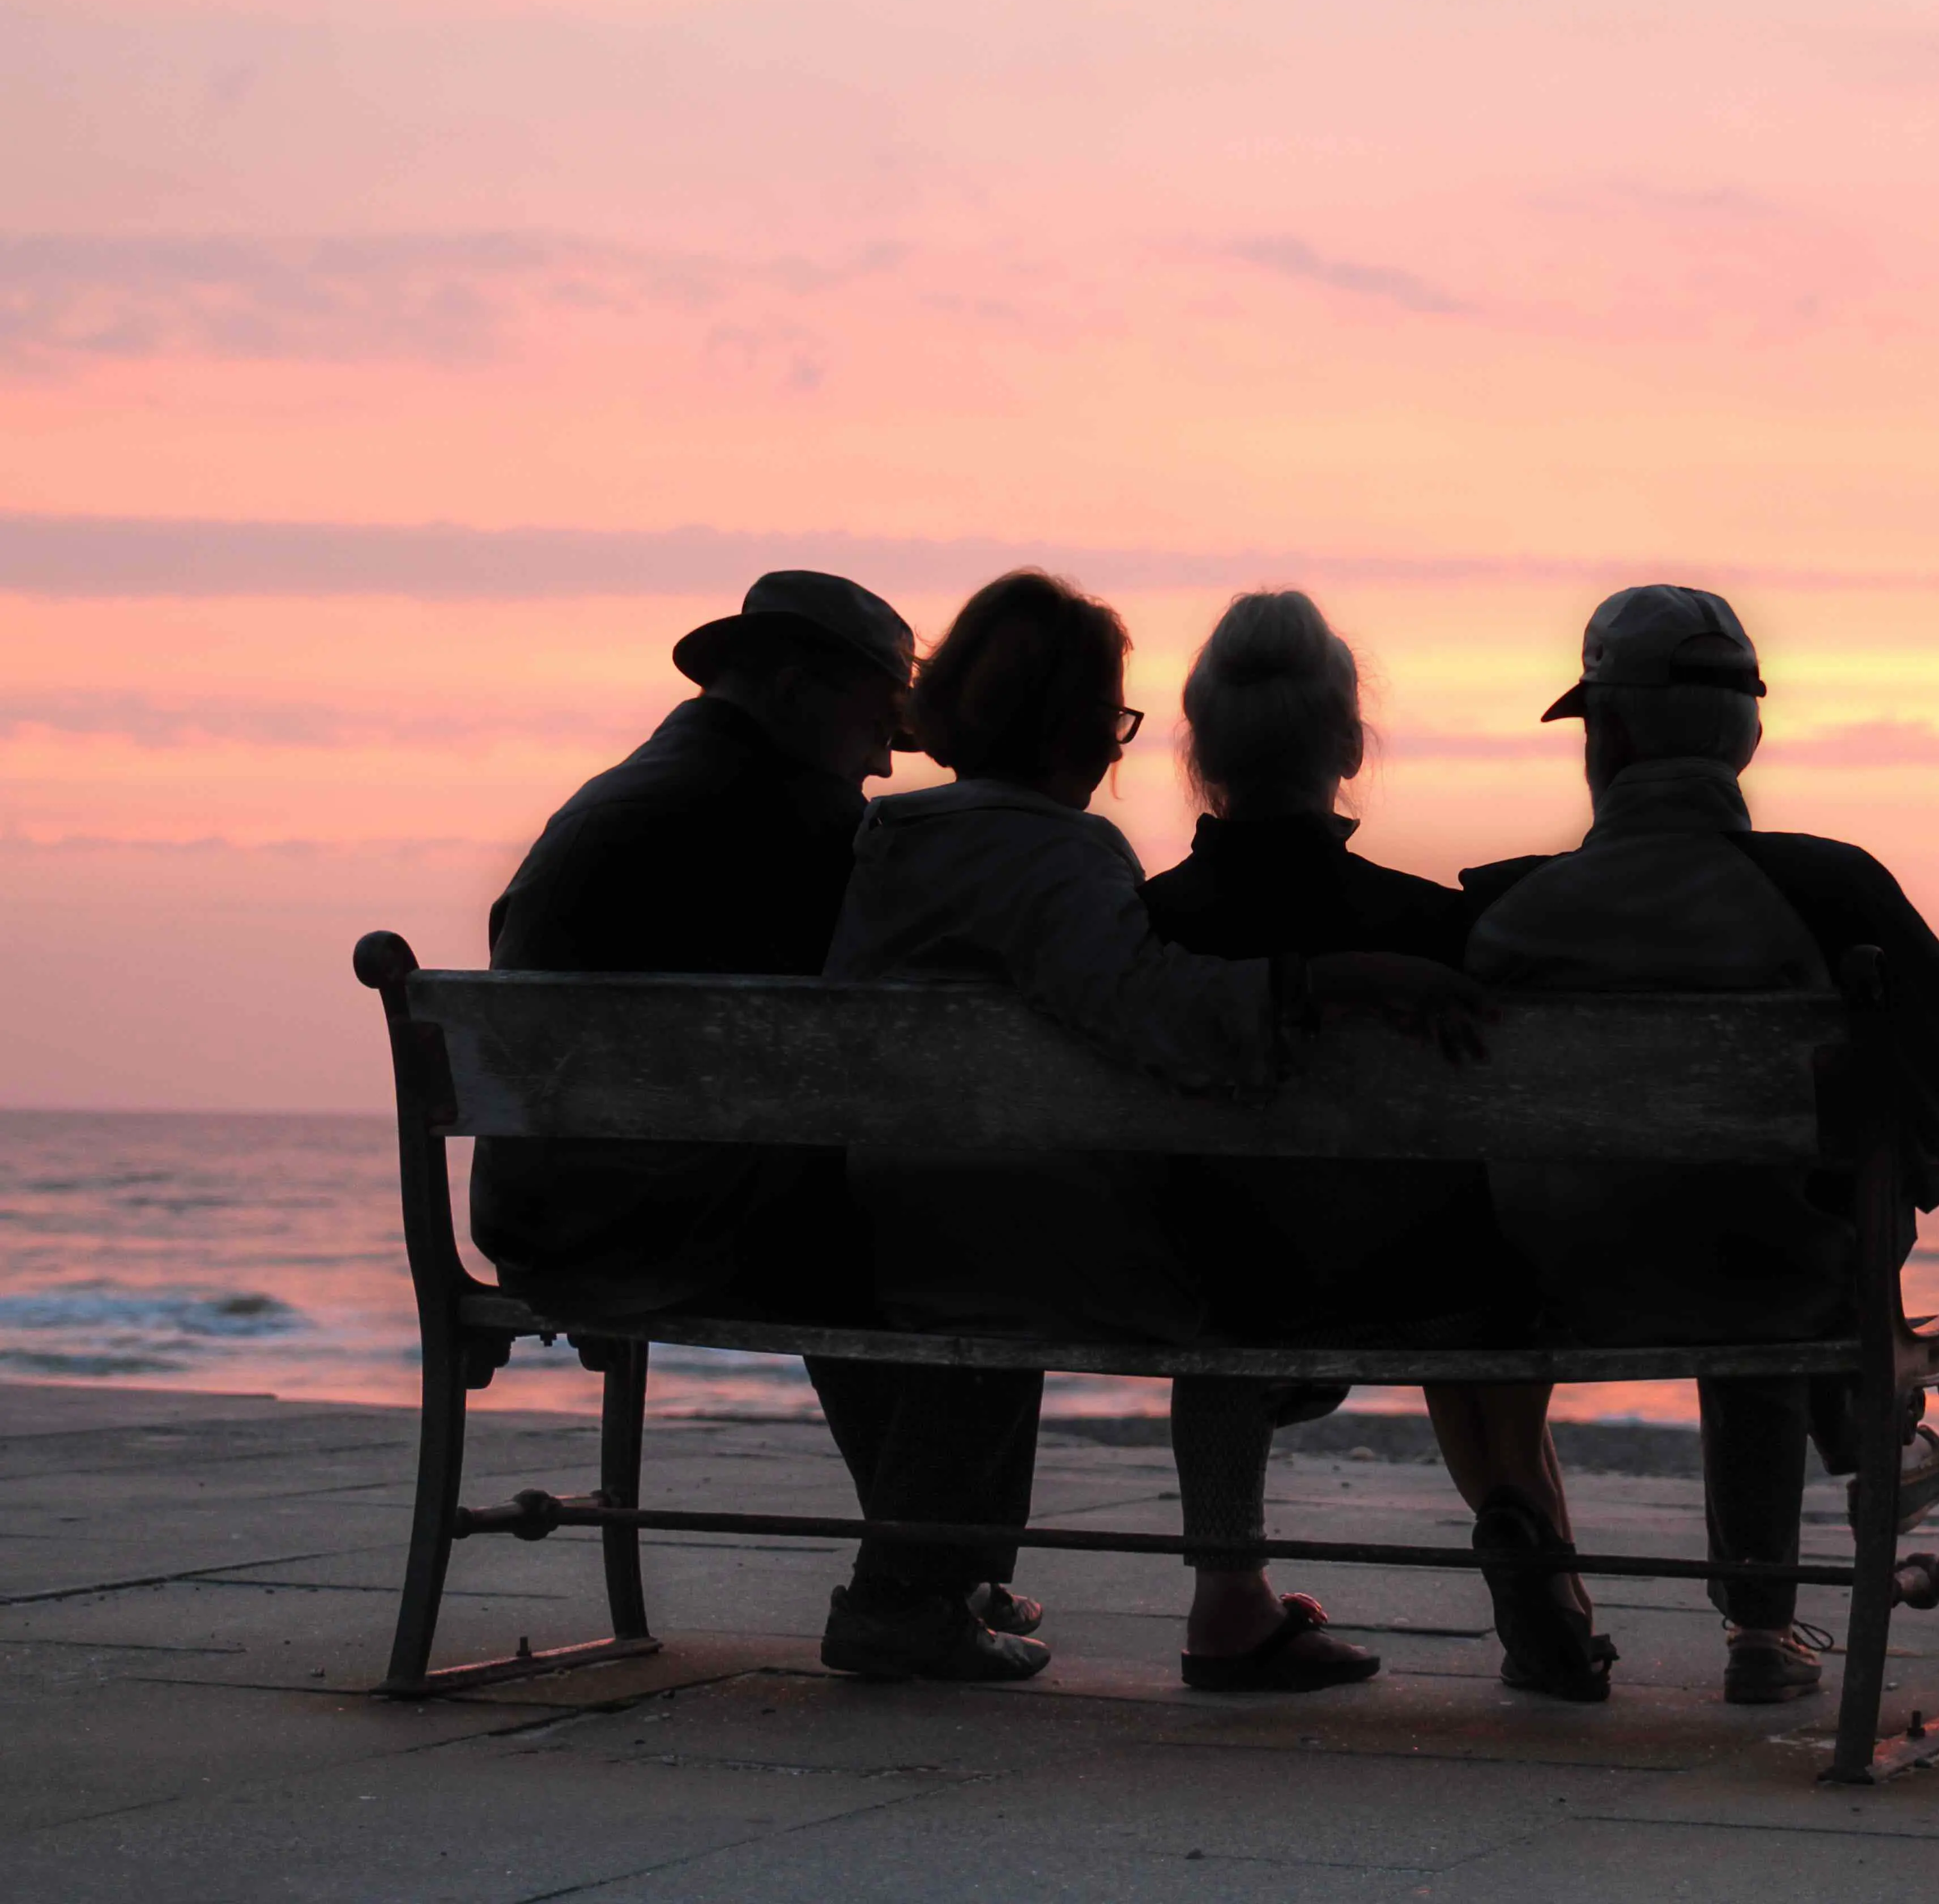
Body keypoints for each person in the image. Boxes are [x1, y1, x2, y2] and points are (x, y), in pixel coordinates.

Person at [827, 567, 1483, 1694]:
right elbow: (1154, 1013)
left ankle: (935, 1577)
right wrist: (1331, 981)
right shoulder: (1065, 856)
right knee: (1223, 1281)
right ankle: (912, 1597)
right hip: (1020, 1242)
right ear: (1083, 730)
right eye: (1111, 722)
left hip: (875, 1218)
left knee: (996, 1256)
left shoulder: (881, 843)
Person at [470, 570, 1052, 1687]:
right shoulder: (795, 816)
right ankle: (915, 1588)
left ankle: (932, 1566)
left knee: (870, 1221)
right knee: (986, 1241)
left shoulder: (617, 798)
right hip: (671, 1224)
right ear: (796, 688)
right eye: (882, 726)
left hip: (542, 1218)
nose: (887, 762)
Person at [1464, 584, 1939, 1705]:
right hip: (1778, 1287)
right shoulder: (1828, 891)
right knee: (1781, 1230)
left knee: (1734, 1218)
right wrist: (1905, 1152)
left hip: (1555, 1287)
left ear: (1604, 738)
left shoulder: (1512, 917)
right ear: (1746, 736)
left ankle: (1615, 1571)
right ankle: (1766, 1623)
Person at [1142, 588, 1614, 1702]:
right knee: (1485, 1279)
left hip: (1210, 1283)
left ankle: (1228, 1588)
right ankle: (1529, 1535)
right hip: (1417, 1287)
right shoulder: (1431, 929)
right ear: (1350, 747)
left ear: (1197, 751)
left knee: (1225, 1271)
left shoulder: (1145, 931)